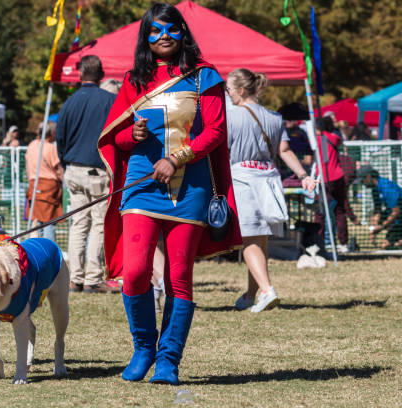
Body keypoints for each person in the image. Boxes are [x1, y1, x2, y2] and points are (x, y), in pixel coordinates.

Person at [98, 3, 242, 385]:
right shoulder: (134, 80)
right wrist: (135, 136)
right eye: (155, 30)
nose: (163, 36)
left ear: (182, 32)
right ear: (145, 36)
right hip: (141, 187)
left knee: (180, 277)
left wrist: (177, 158)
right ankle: (143, 348)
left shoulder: (204, 76)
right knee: (136, 272)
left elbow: (215, 131)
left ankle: (169, 359)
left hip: (190, 189)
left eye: (171, 29)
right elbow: (118, 137)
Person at [225, 68, 316, 313]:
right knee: (260, 239)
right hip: (268, 177)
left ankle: (267, 291)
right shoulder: (274, 117)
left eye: (230, 89)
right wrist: (303, 176)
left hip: (243, 177)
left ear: (241, 90)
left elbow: (224, 150)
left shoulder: (231, 116)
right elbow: (284, 150)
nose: (228, 94)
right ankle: (250, 294)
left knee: (250, 239)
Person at [56, 55, 119, 294]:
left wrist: (65, 163)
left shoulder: (69, 102)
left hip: (73, 168)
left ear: (80, 74)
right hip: (96, 169)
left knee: (78, 224)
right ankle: (93, 278)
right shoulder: (109, 100)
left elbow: (60, 138)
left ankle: (75, 279)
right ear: (101, 74)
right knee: (98, 224)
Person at [354, 165, 402, 249]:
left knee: (385, 247)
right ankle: (401, 237)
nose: (362, 184)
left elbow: (396, 211)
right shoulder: (375, 189)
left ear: (369, 177)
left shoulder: (387, 187)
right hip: (396, 217)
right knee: (391, 241)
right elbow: (377, 210)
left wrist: (382, 227)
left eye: (362, 181)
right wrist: (373, 229)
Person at [313, 116, 352, 253]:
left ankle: (320, 242)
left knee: (320, 212)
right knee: (340, 211)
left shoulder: (318, 140)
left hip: (324, 178)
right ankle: (343, 243)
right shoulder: (333, 137)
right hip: (337, 177)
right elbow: (340, 142)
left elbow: (324, 158)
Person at [25, 121, 64, 242]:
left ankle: (36, 249)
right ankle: (49, 250)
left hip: (33, 184)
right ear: (51, 133)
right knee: (49, 222)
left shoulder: (31, 145)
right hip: (49, 186)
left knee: (36, 222)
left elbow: (27, 167)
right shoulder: (51, 148)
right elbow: (58, 169)